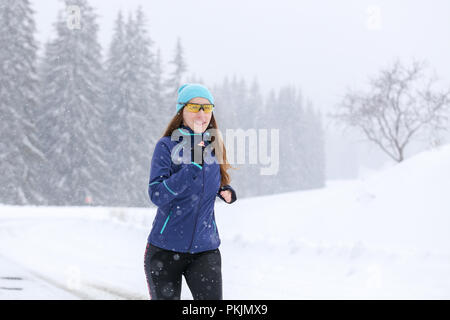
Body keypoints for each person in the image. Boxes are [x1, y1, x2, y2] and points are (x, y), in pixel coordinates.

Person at [144, 83, 237, 300]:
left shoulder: (213, 146)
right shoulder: (166, 146)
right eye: (195, 107)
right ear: (181, 111)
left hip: (205, 251)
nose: (202, 114)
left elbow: (212, 182)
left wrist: (224, 189)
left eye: (207, 107)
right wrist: (191, 168)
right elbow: (157, 194)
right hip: (165, 251)